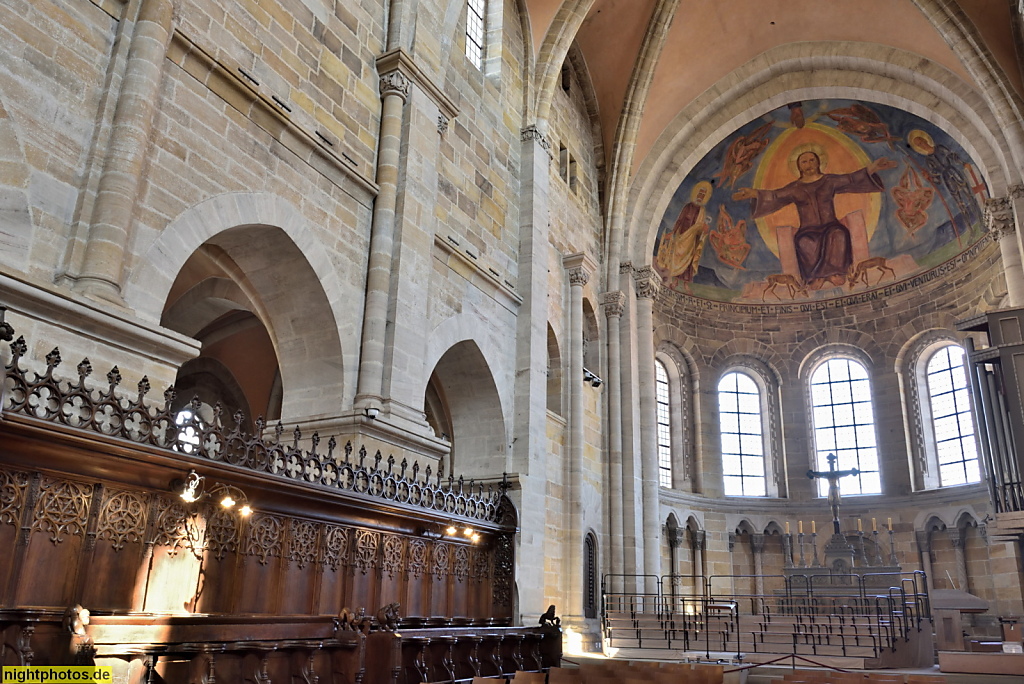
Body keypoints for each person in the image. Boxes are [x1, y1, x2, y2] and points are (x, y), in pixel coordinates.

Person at [732, 151, 896, 288]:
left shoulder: (829, 181)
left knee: (838, 234)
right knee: (805, 242)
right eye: (804, 161)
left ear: (818, 162)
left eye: (812, 160)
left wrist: (872, 168)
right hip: (808, 229)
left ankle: (834, 274)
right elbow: (775, 195)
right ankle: (815, 278)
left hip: (831, 224)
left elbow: (850, 179)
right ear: (799, 166)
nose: (808, 164)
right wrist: (754, 193)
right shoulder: (794, 188)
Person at [656, 181, 713, 289]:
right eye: (700, 193)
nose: (701, 196)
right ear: (696, 194)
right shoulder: (688, 206)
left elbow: (700, 228)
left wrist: (704, 230)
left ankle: (686, 283)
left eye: (703, 195)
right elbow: (680, 220)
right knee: (676, 258)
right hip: (681, 237)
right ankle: (675, 281)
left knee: (688, 261)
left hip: (692, 240)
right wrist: (672, 233)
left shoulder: (702, 210)